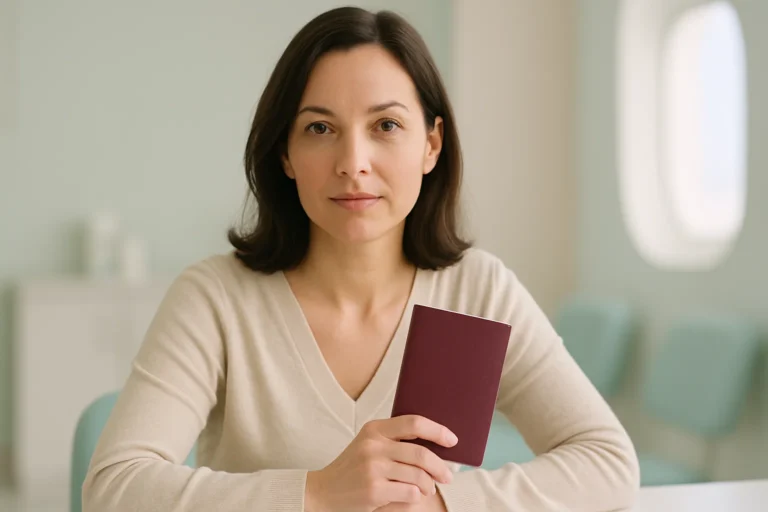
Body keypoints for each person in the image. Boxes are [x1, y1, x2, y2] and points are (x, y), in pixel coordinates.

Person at [82, 6, 640, 512]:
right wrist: (318, 493)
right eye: (320, 128)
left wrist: (443, 504)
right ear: (286, 153)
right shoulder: (215, 297)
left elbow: (608, 461)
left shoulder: (479, 292)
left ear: (431, 145)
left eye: (386, 126)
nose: (354, 162)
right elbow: (114, 488)